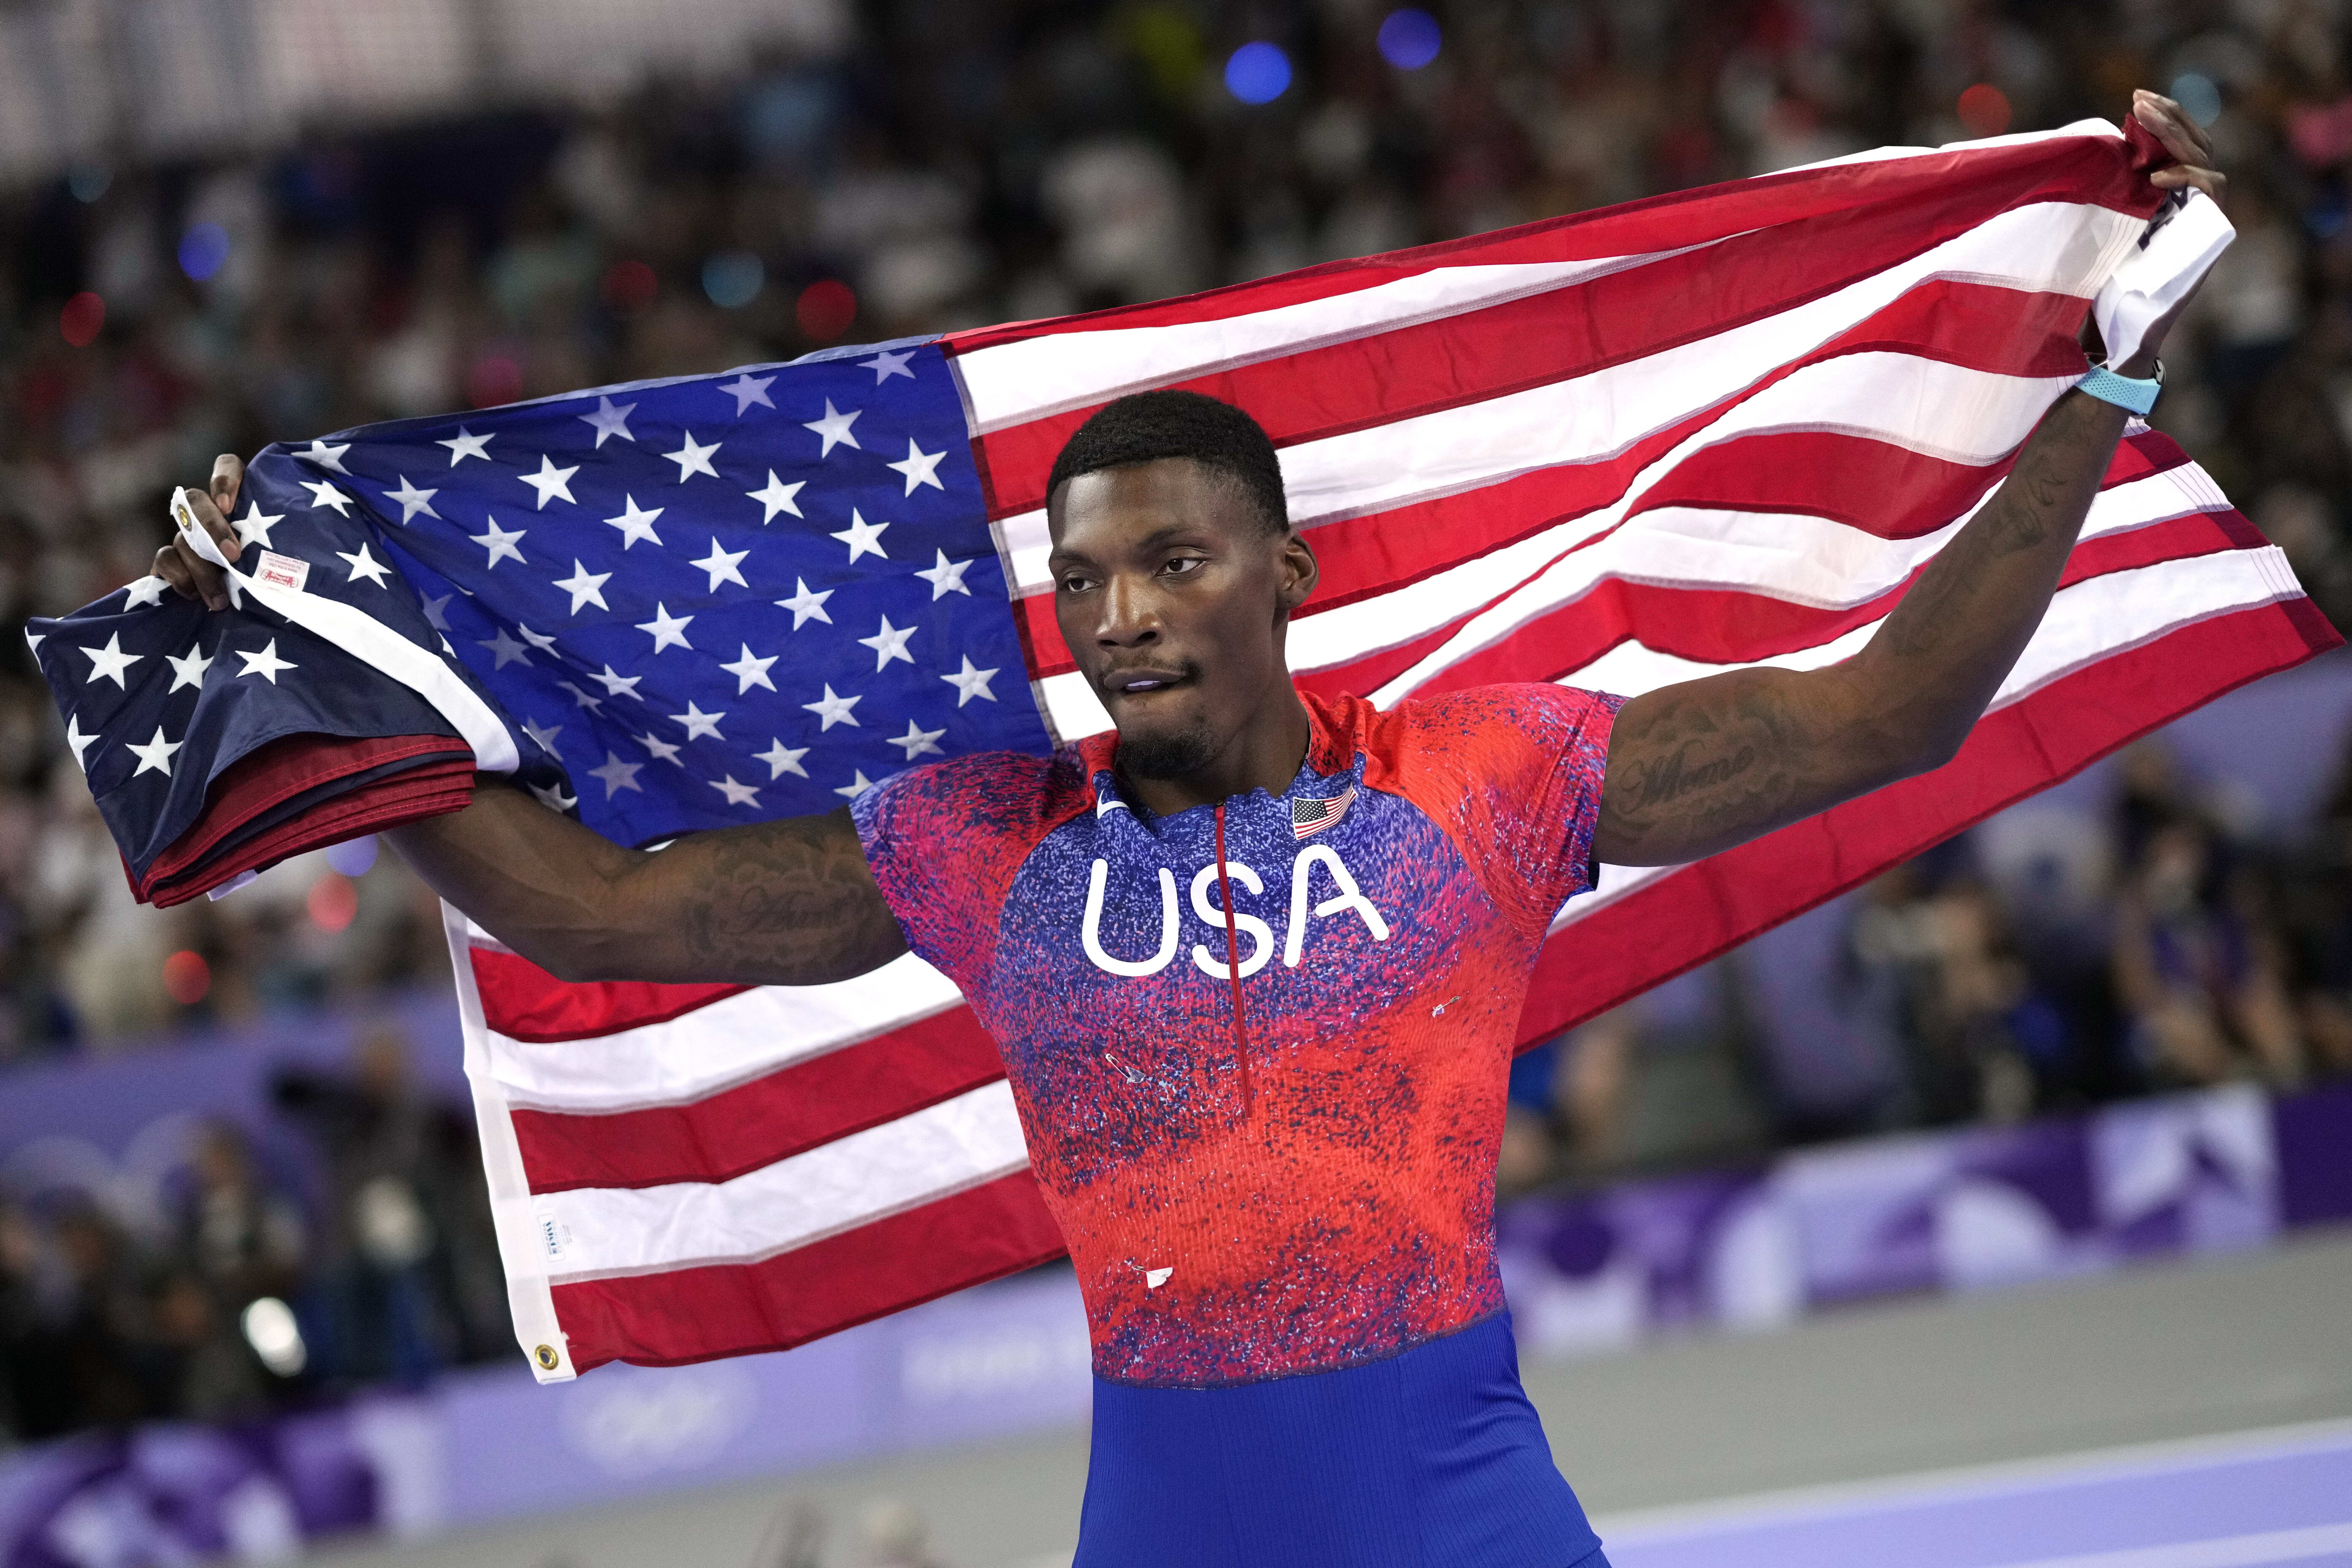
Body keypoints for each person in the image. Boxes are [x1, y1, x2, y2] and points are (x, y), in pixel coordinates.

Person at [153, 94, 2222, 1568]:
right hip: (1163, 1512)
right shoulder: (984, 842)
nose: (1121, 611)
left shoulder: (1481, 782)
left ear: (1282, 571)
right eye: (1085, 577)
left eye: (1170, 560)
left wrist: (2098, 399)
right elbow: (593, 910)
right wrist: (316, 680)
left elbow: (1887, 707)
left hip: (1453, 1494)